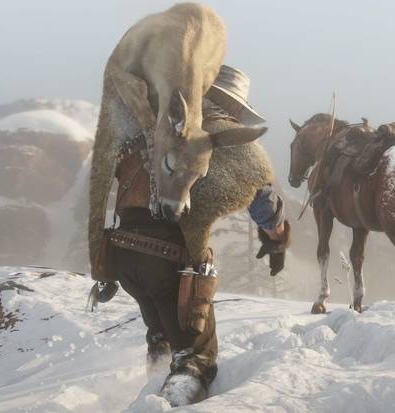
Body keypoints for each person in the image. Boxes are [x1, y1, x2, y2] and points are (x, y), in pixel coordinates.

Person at [99, 65, 289, 406]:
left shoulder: (152, 123)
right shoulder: (223, 138)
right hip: (170, 264)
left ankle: (151, 388)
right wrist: (278, 238)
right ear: (232, 107)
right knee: (194, 359)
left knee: (161, 339)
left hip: (125, 257)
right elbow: (267, 211)